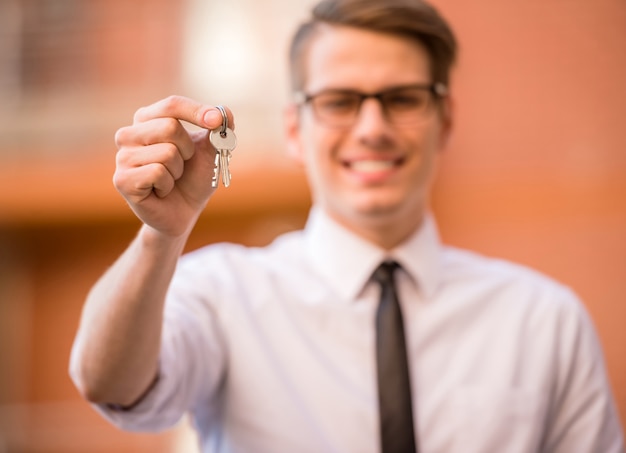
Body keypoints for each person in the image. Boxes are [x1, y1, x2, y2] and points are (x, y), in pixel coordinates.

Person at [69, 0, 624, 451]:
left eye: (403, 98)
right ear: (294, 129)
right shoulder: (221, 293)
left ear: (446, 119)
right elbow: (110, 385)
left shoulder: (544, 320)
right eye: (340, 101)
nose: (373, 128)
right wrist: (162, 235)